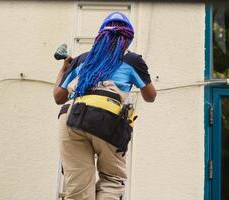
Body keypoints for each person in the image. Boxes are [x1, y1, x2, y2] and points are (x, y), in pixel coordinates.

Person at [53, 12, 156, 200]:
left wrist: (63, 68)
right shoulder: (132, 60)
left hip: (72, 117)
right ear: (127, 39)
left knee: (77, 187)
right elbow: (150, 96)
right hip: (107, 118)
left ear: (100, 36)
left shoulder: (83, 59)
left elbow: (58, 97)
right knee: (112, 179)